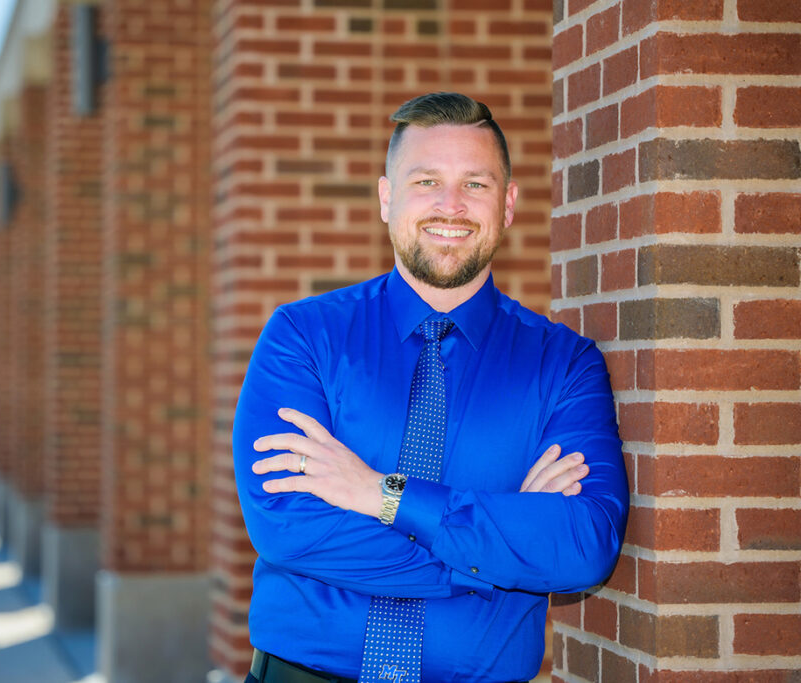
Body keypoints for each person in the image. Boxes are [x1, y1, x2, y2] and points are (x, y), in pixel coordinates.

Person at [233, 92, 629, 683]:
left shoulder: (564, 366)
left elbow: (584, 543)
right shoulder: (304, 339)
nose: (452, 205)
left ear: (509, 204)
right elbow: (286, 524)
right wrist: (494, 555)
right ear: (387, 199)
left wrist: (381, 495)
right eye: (426, 181)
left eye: (476, 184)